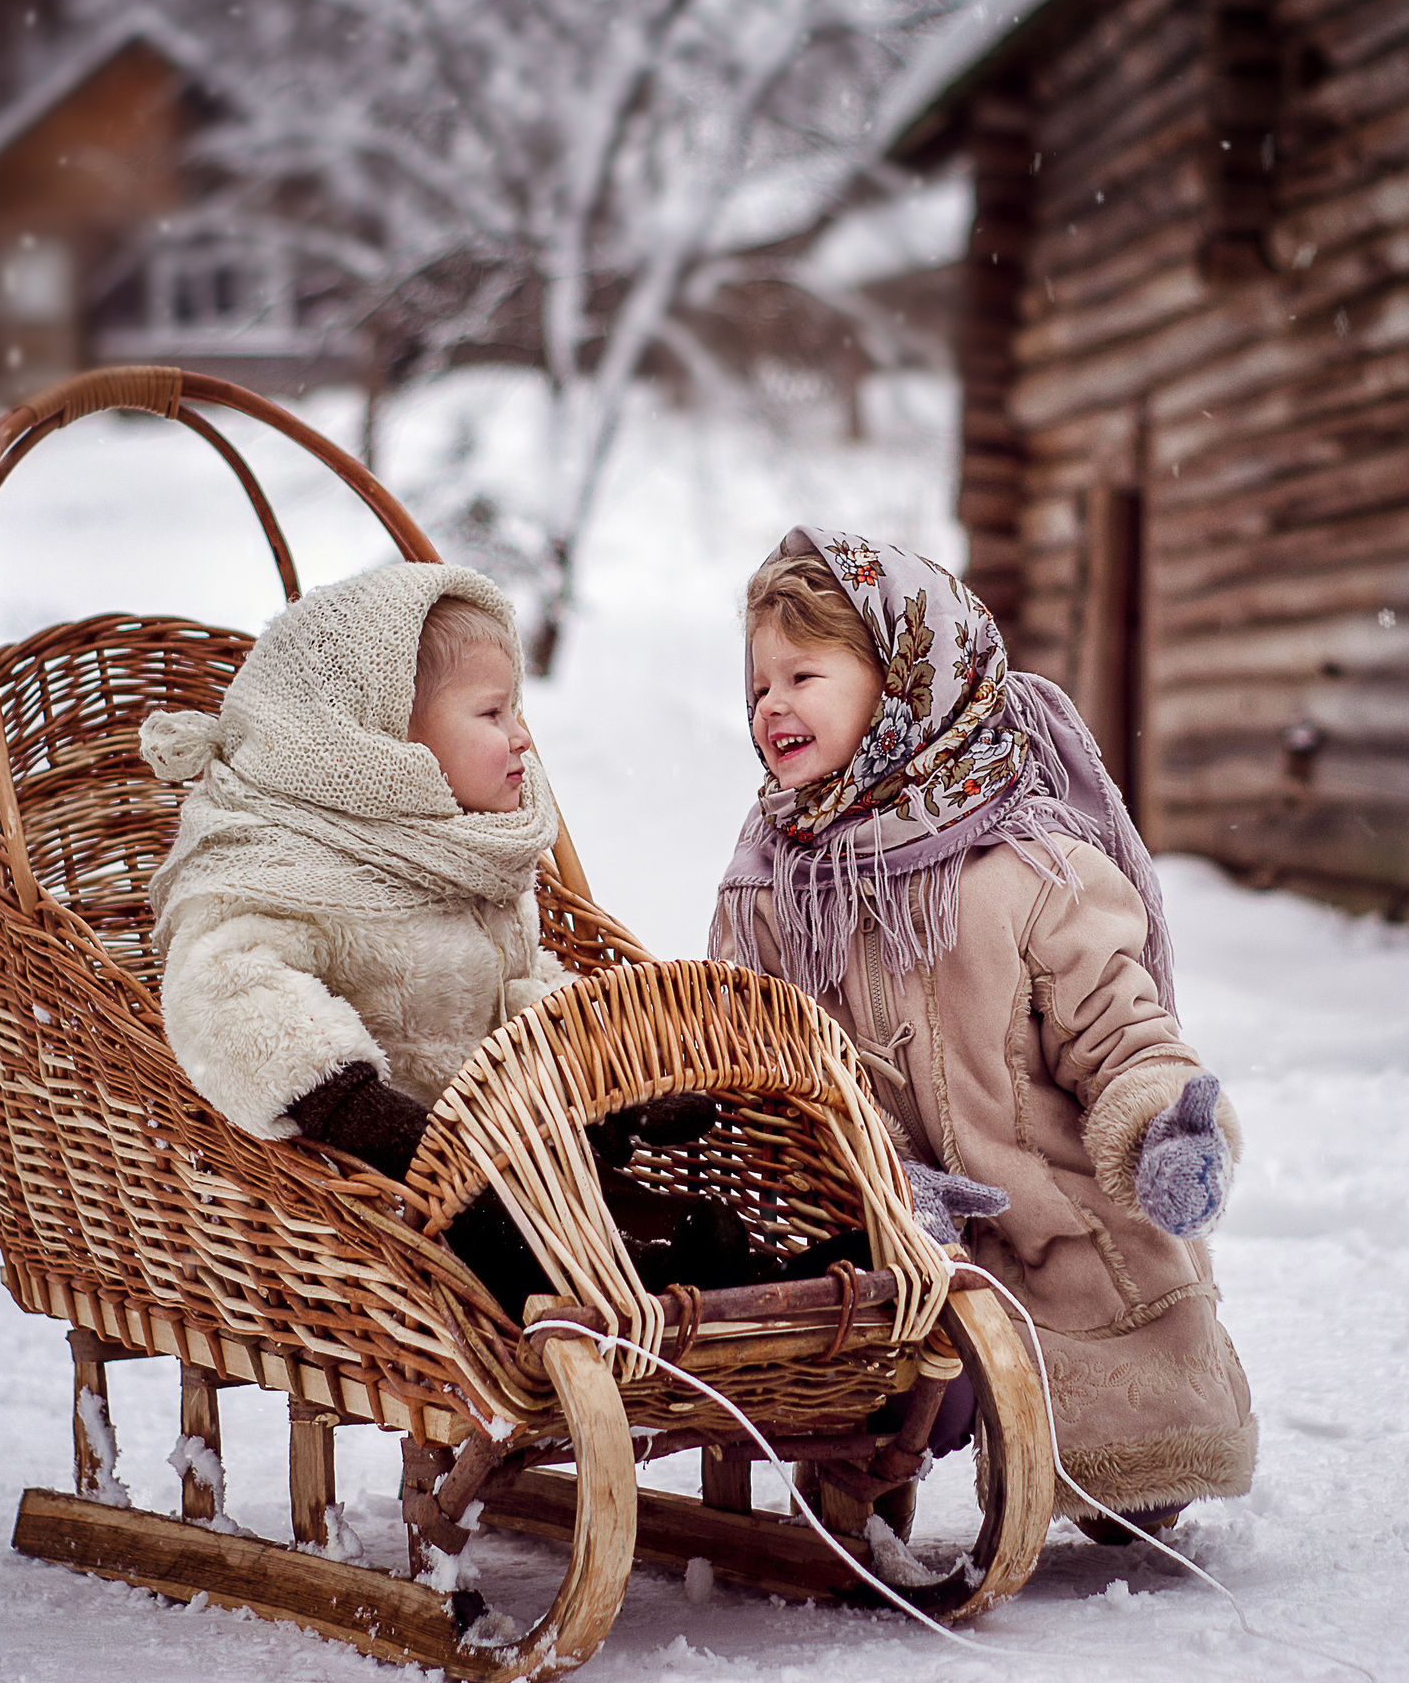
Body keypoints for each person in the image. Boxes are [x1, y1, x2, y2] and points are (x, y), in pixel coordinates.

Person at [712, 527, 1256, 1540]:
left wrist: (1162, 1128)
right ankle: (871, 1475)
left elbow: (1118, 1026)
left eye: (803, 674)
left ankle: (1129, 1473)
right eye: (757, 686)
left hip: (1057, 1208)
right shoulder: (774, 878)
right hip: (895, 1217)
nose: (770, 705)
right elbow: (755, 1049)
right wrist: (838, 1172)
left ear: (904, 681)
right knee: (863, 1333)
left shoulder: (1030, 864)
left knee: (1126, 1435)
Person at [137, 562, 741, 1314]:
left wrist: (606, 1084)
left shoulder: (465, 855)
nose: (523, 736)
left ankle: (745, 1286)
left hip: (499, 1151)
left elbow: (519, 996)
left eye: (515, 710)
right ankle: (638, 1288)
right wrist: (354, 1106)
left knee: (633, 1202)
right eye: (492, 715)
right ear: (383, 744)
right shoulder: (279, 863)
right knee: (503, 1229)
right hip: (379, 1195)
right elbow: (224, 987)